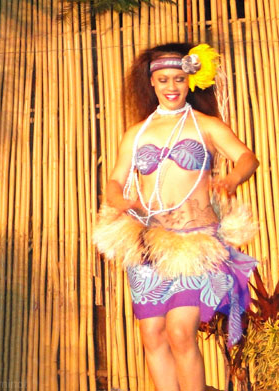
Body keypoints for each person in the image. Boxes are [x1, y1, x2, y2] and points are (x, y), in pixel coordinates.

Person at [94, 43, 259, 391]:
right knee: (152, 335)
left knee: (181, 332)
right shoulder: (136, 133)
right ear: (151, 83)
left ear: (190, 82)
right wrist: (116, 199)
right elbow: (115, 179)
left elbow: (247, 158)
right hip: (148, 245)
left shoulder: (206, 126)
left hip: (193, 243)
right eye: (164, 79)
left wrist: (231, 179)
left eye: (179, 79)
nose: (171, 87)